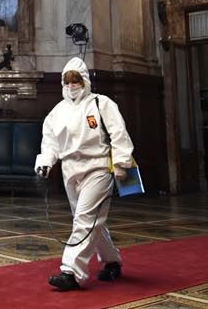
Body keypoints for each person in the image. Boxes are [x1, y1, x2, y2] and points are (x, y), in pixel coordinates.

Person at [34, 57, 135, 291]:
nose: (71, 85)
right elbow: (50, 143)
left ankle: (71, 271)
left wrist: (121, 163)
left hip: (98, 168)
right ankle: (112, 261)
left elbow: (119, 133)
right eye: (67, 80)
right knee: (90, 221)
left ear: (85, 80)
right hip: (70, 171)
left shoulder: (101, 103)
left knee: (84, 220)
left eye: (76, 79)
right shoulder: (56, 113)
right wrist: (45, 163)